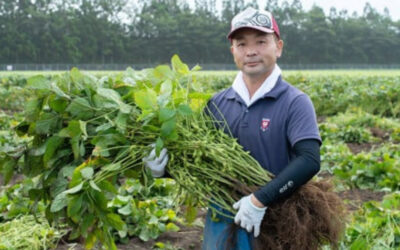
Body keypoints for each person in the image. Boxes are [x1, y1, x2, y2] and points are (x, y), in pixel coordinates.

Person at [144, 7, 321, 250]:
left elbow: (309, 160)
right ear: (233, 52)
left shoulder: (295, 101)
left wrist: (260, 200)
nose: (251, 51)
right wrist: (164, 169)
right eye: (241, 44)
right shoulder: (216, 104)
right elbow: (201, 163)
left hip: (280, 221)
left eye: (261, 41)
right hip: (222, 221)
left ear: (278, 47)